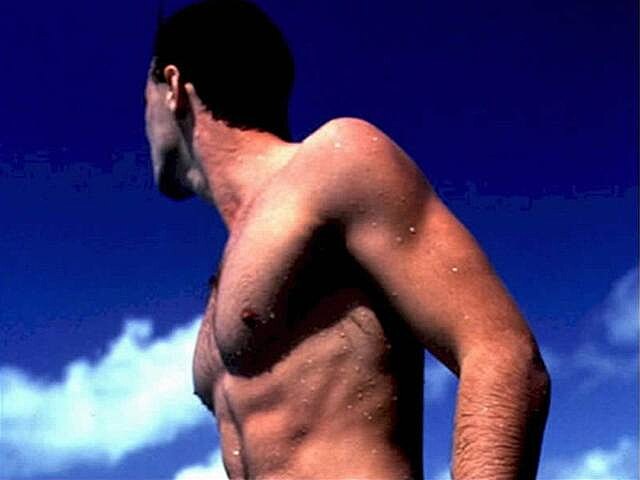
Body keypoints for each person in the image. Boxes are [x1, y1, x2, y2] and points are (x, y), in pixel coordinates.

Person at [144, 1, 551, 478]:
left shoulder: (337, 161)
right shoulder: (231, 265)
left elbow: (501, 354)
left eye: (142, 102)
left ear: (173, 87)